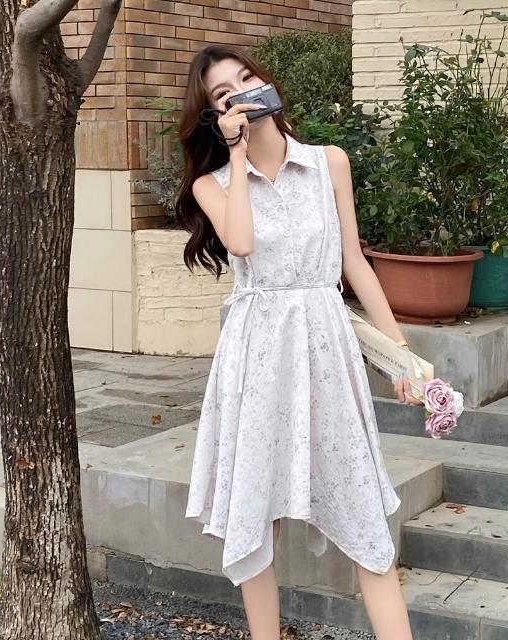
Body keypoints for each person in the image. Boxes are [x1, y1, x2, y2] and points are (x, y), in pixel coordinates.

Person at [175, 44, 422, 640]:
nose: (242, 91)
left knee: (362, 507)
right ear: (214, 115)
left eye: (246, 77)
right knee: (258, 515)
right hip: (257, 358)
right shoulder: (213, 184)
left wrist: (403, 357)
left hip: (326, 350)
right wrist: (237, 155)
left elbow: (354, 264)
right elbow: (241, 243)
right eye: (223, 93)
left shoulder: (329, 162)